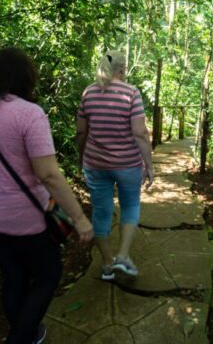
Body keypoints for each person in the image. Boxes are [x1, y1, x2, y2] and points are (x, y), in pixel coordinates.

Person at [0, 48, 93, 344]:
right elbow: (48, 174)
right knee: (48, 274)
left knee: (14, 277)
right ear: (27, 77)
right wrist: (79, 217)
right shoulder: (30, 114)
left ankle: (30, 334)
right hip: (23, 217)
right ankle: (21, 338)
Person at [76, 50, 153, 281]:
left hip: (96, 164)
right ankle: (122, 256)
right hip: (128, 164)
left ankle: (107, 265)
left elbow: (81, 131)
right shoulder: (132, 93)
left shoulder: (89, 92)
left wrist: (81, 157)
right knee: (130, 206)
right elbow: (139, 132)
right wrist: (149, 165)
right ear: (122, 69)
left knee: (101, 212)